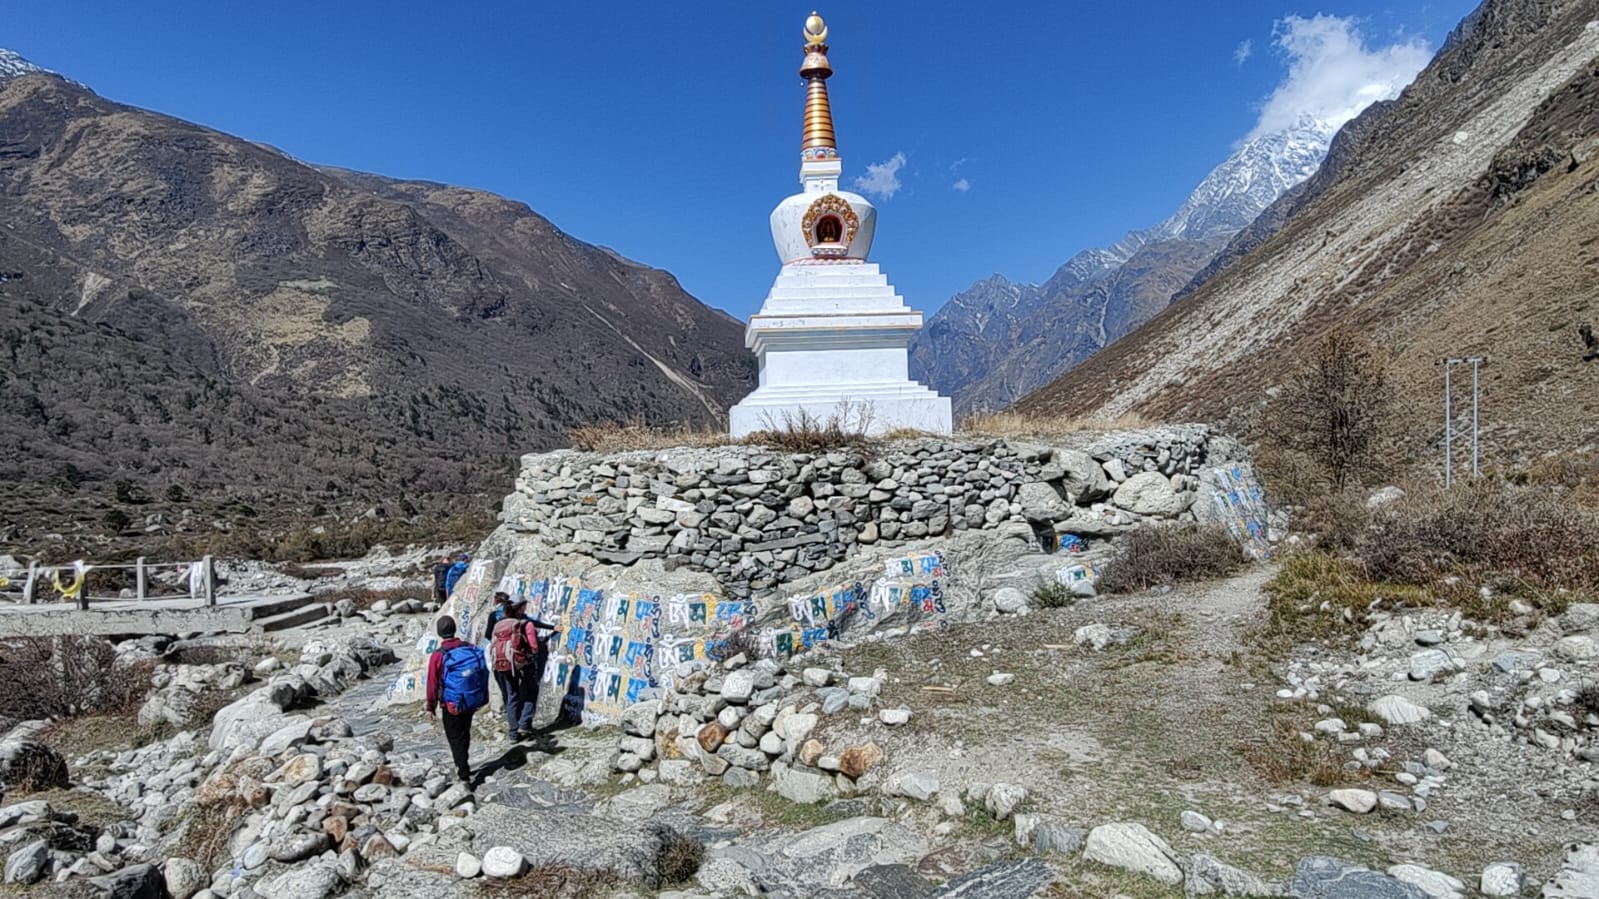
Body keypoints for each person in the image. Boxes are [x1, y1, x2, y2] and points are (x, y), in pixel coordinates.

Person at [485, 591, 559, 741]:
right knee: (531, 692)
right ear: (521, 607)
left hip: (504, 663)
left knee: (512, 696)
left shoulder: (500, 623)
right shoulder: (526, 623)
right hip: (524, 664)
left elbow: (489, 637)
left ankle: (513, 733)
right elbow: (533, 646)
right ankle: (525, 724)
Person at [425, 615, 488, 785]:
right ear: (454, 629)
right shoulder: (469, 647)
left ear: (439, 633)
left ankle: (463, 773)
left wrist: (430, 706)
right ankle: (464, 764)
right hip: (470, 699)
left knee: (455, 737)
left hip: (451, 703)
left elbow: (432, 683)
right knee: (464, 733)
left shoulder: (438, 655)